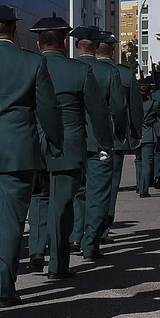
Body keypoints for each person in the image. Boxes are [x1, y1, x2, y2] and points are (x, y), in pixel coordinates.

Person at [0, 7, 61, 307]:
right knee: (11, 218)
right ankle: (3, 286)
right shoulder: (31, 62)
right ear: (12, 31)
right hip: (18, 148)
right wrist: (55, 142)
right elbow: (48, 109)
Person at [28, 18, 110, 281]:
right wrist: (105, 143)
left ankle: (36, 249)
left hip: (32, 142)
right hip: (68, 145)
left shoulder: (27, 65)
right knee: (62, 207)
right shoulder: (78, 71)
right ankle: (58, 264)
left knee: (39, 198)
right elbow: (97, 112)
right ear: (64, 44)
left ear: (39, 43)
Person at [73, 28, 125, 258]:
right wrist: (120, 134)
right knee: (99, 193)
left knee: (75, 191)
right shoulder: (109, 72)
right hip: (99, 139)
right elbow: (118, 108)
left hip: (71, 139)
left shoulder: (67, 68)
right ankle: (90, 241)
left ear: (77, 47)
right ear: (95, 47)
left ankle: (74, 234)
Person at [93, 33, 137, 239]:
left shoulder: (81, 68)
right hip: (112, 137)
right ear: (112, 51)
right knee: (109, 186)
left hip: (80, 136)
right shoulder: (125, 74)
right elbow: (132, 109)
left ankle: (78, 229)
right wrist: (132, 134)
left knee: (81, 186)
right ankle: (101, 229)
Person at [135, 76, 157, 197]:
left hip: (135, 134)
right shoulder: (153, 104)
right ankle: (144, 189)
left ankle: (139, 185)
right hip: (148, 134)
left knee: (138, 161)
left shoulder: (131, 104)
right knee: (147, 163)